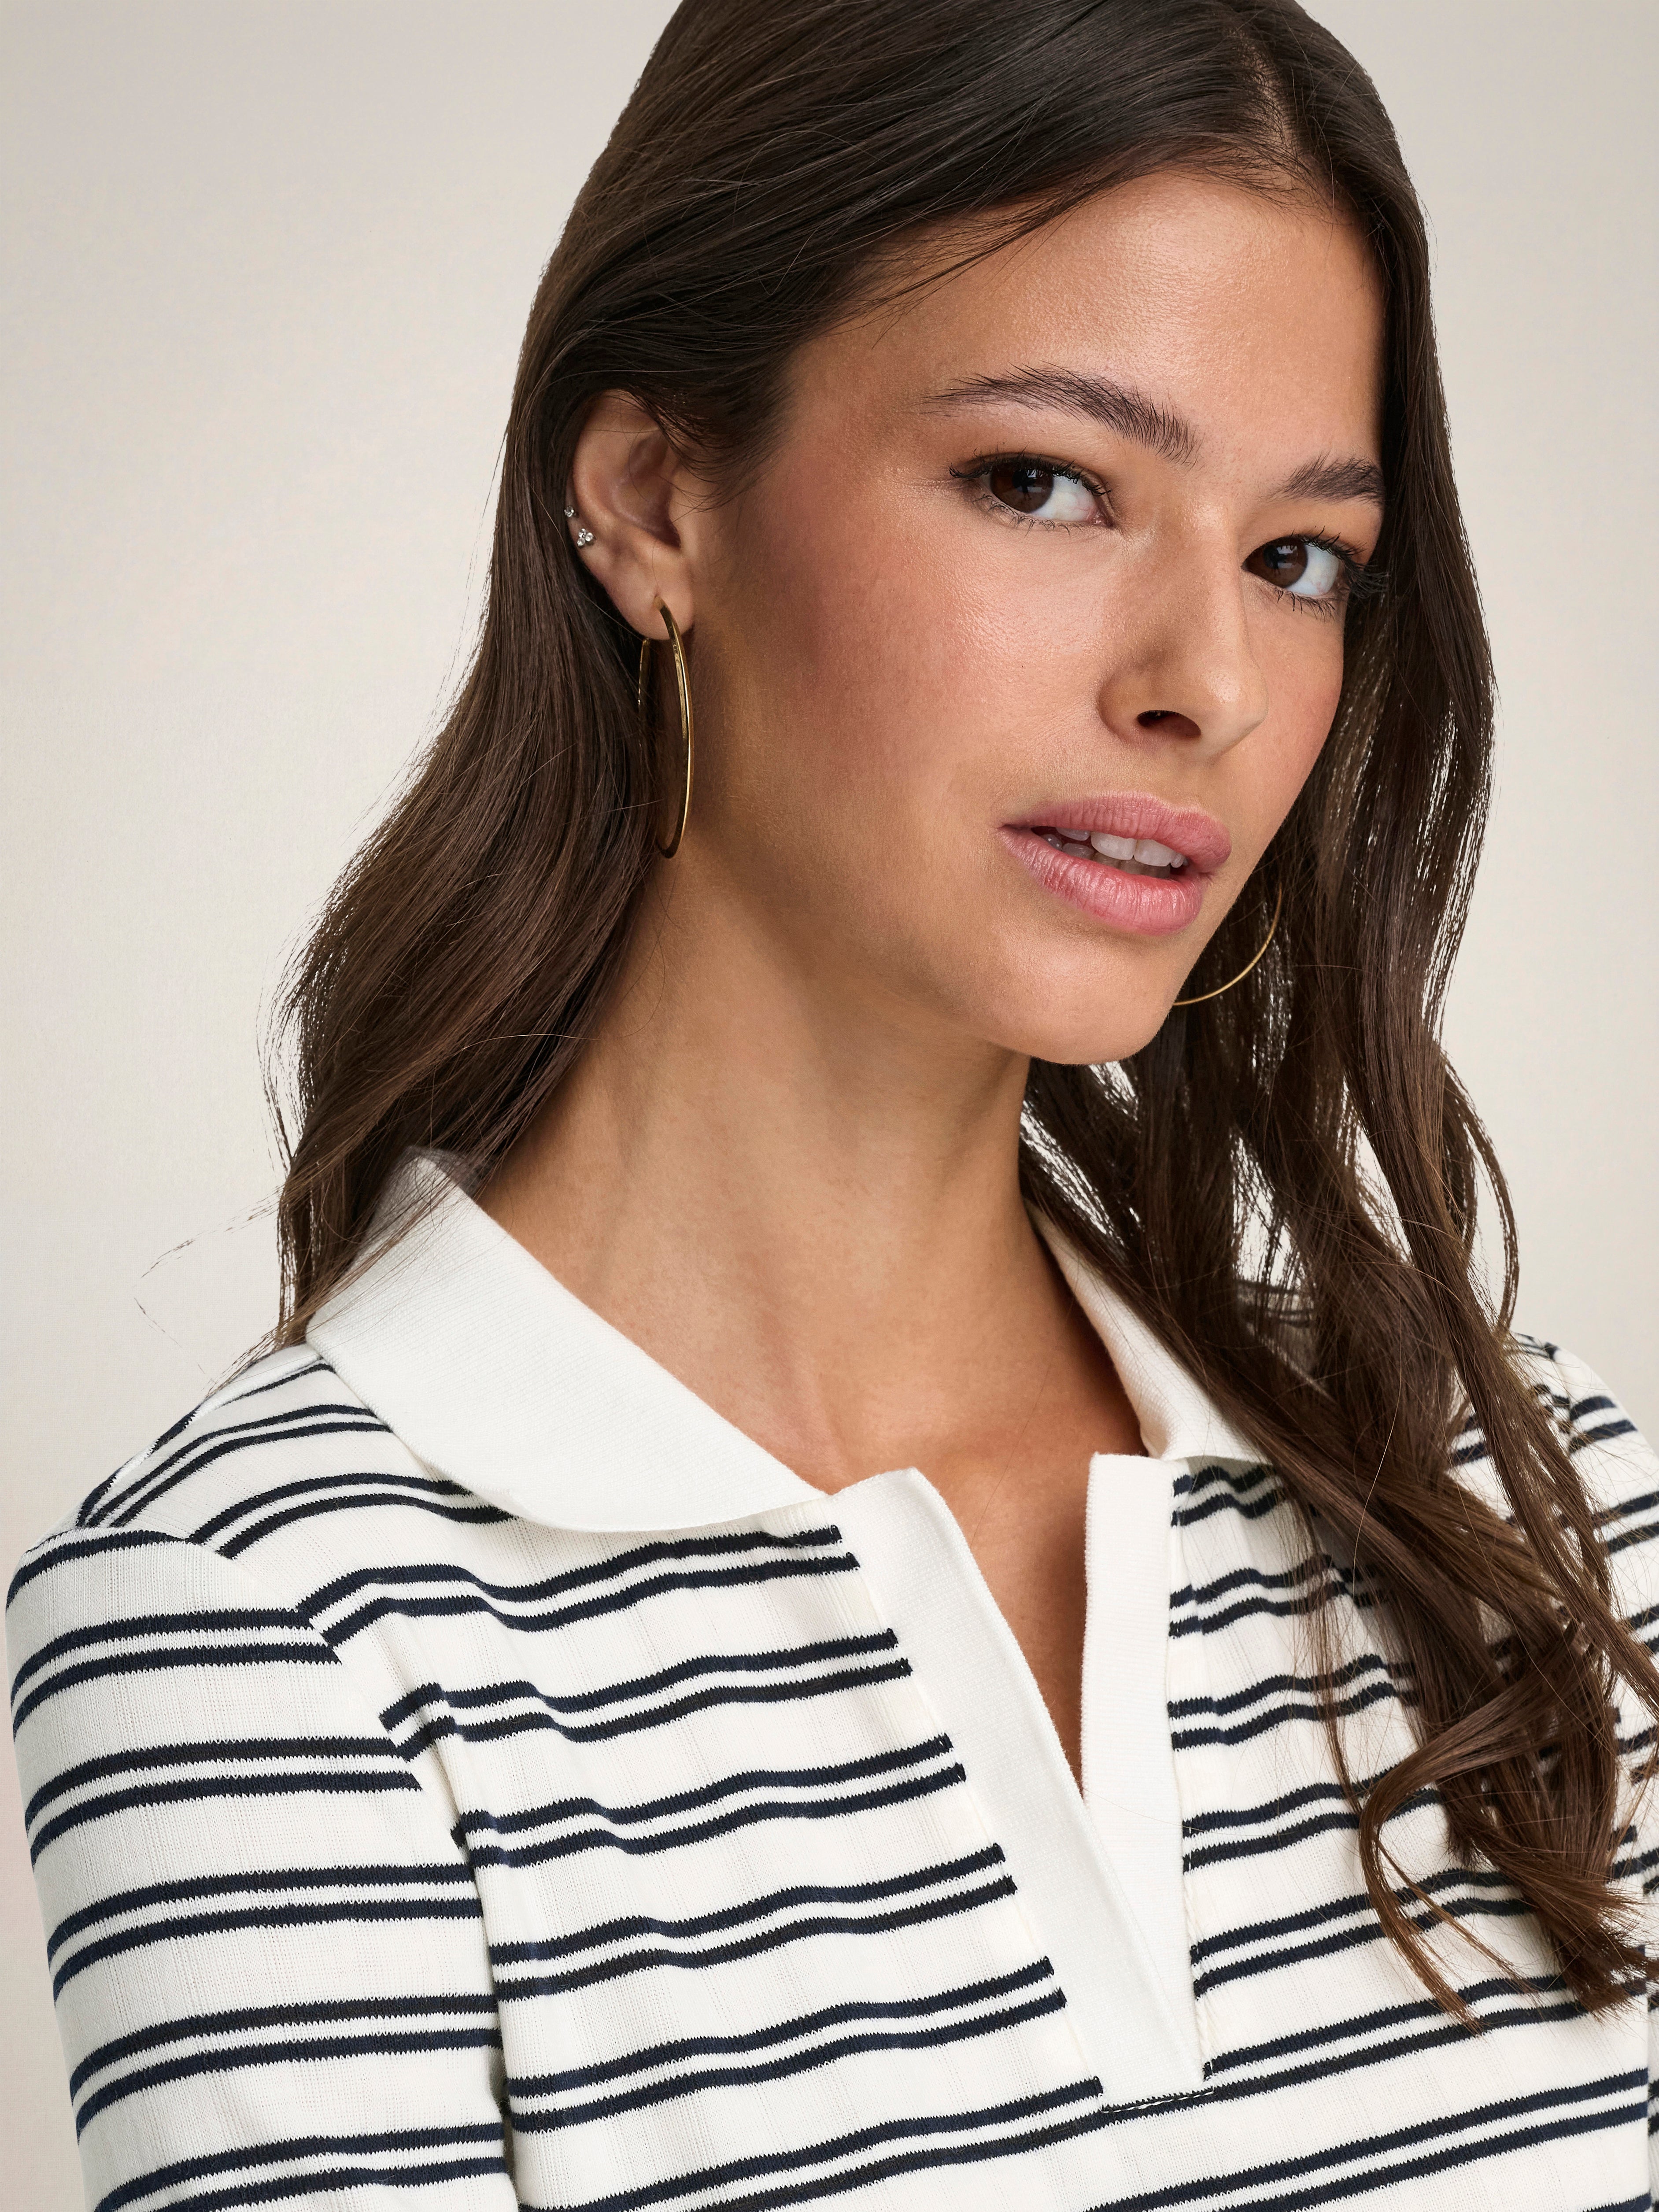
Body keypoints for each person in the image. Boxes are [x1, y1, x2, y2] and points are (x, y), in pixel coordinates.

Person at [11, 2, 1658, 2205]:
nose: (1208, 680)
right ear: (653, 497)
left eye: (1300, 558)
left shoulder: (1523, 1504)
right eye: (1043, 482)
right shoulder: (271, 1632)